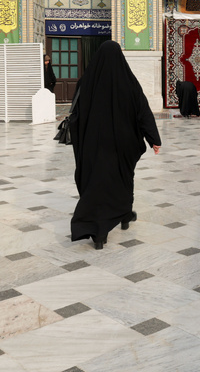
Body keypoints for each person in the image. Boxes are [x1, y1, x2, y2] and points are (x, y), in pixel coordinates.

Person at [68, 40, 161, 249]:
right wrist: (154, 139)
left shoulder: (86, 81)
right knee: (122, 179)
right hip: (123, 145)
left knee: (96, 182)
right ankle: (124, 214)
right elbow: (143, 112)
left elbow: (75, 116)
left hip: (93, 145)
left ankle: (100, 233)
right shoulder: (128, 82)